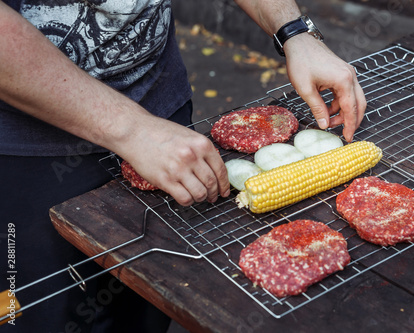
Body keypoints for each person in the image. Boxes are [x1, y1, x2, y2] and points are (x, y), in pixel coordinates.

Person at [0, 0, 366, 332]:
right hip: (29, 149)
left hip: (163, 107)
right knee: (46, 312)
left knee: (153, 297)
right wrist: (130, 128)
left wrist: (293, 31)